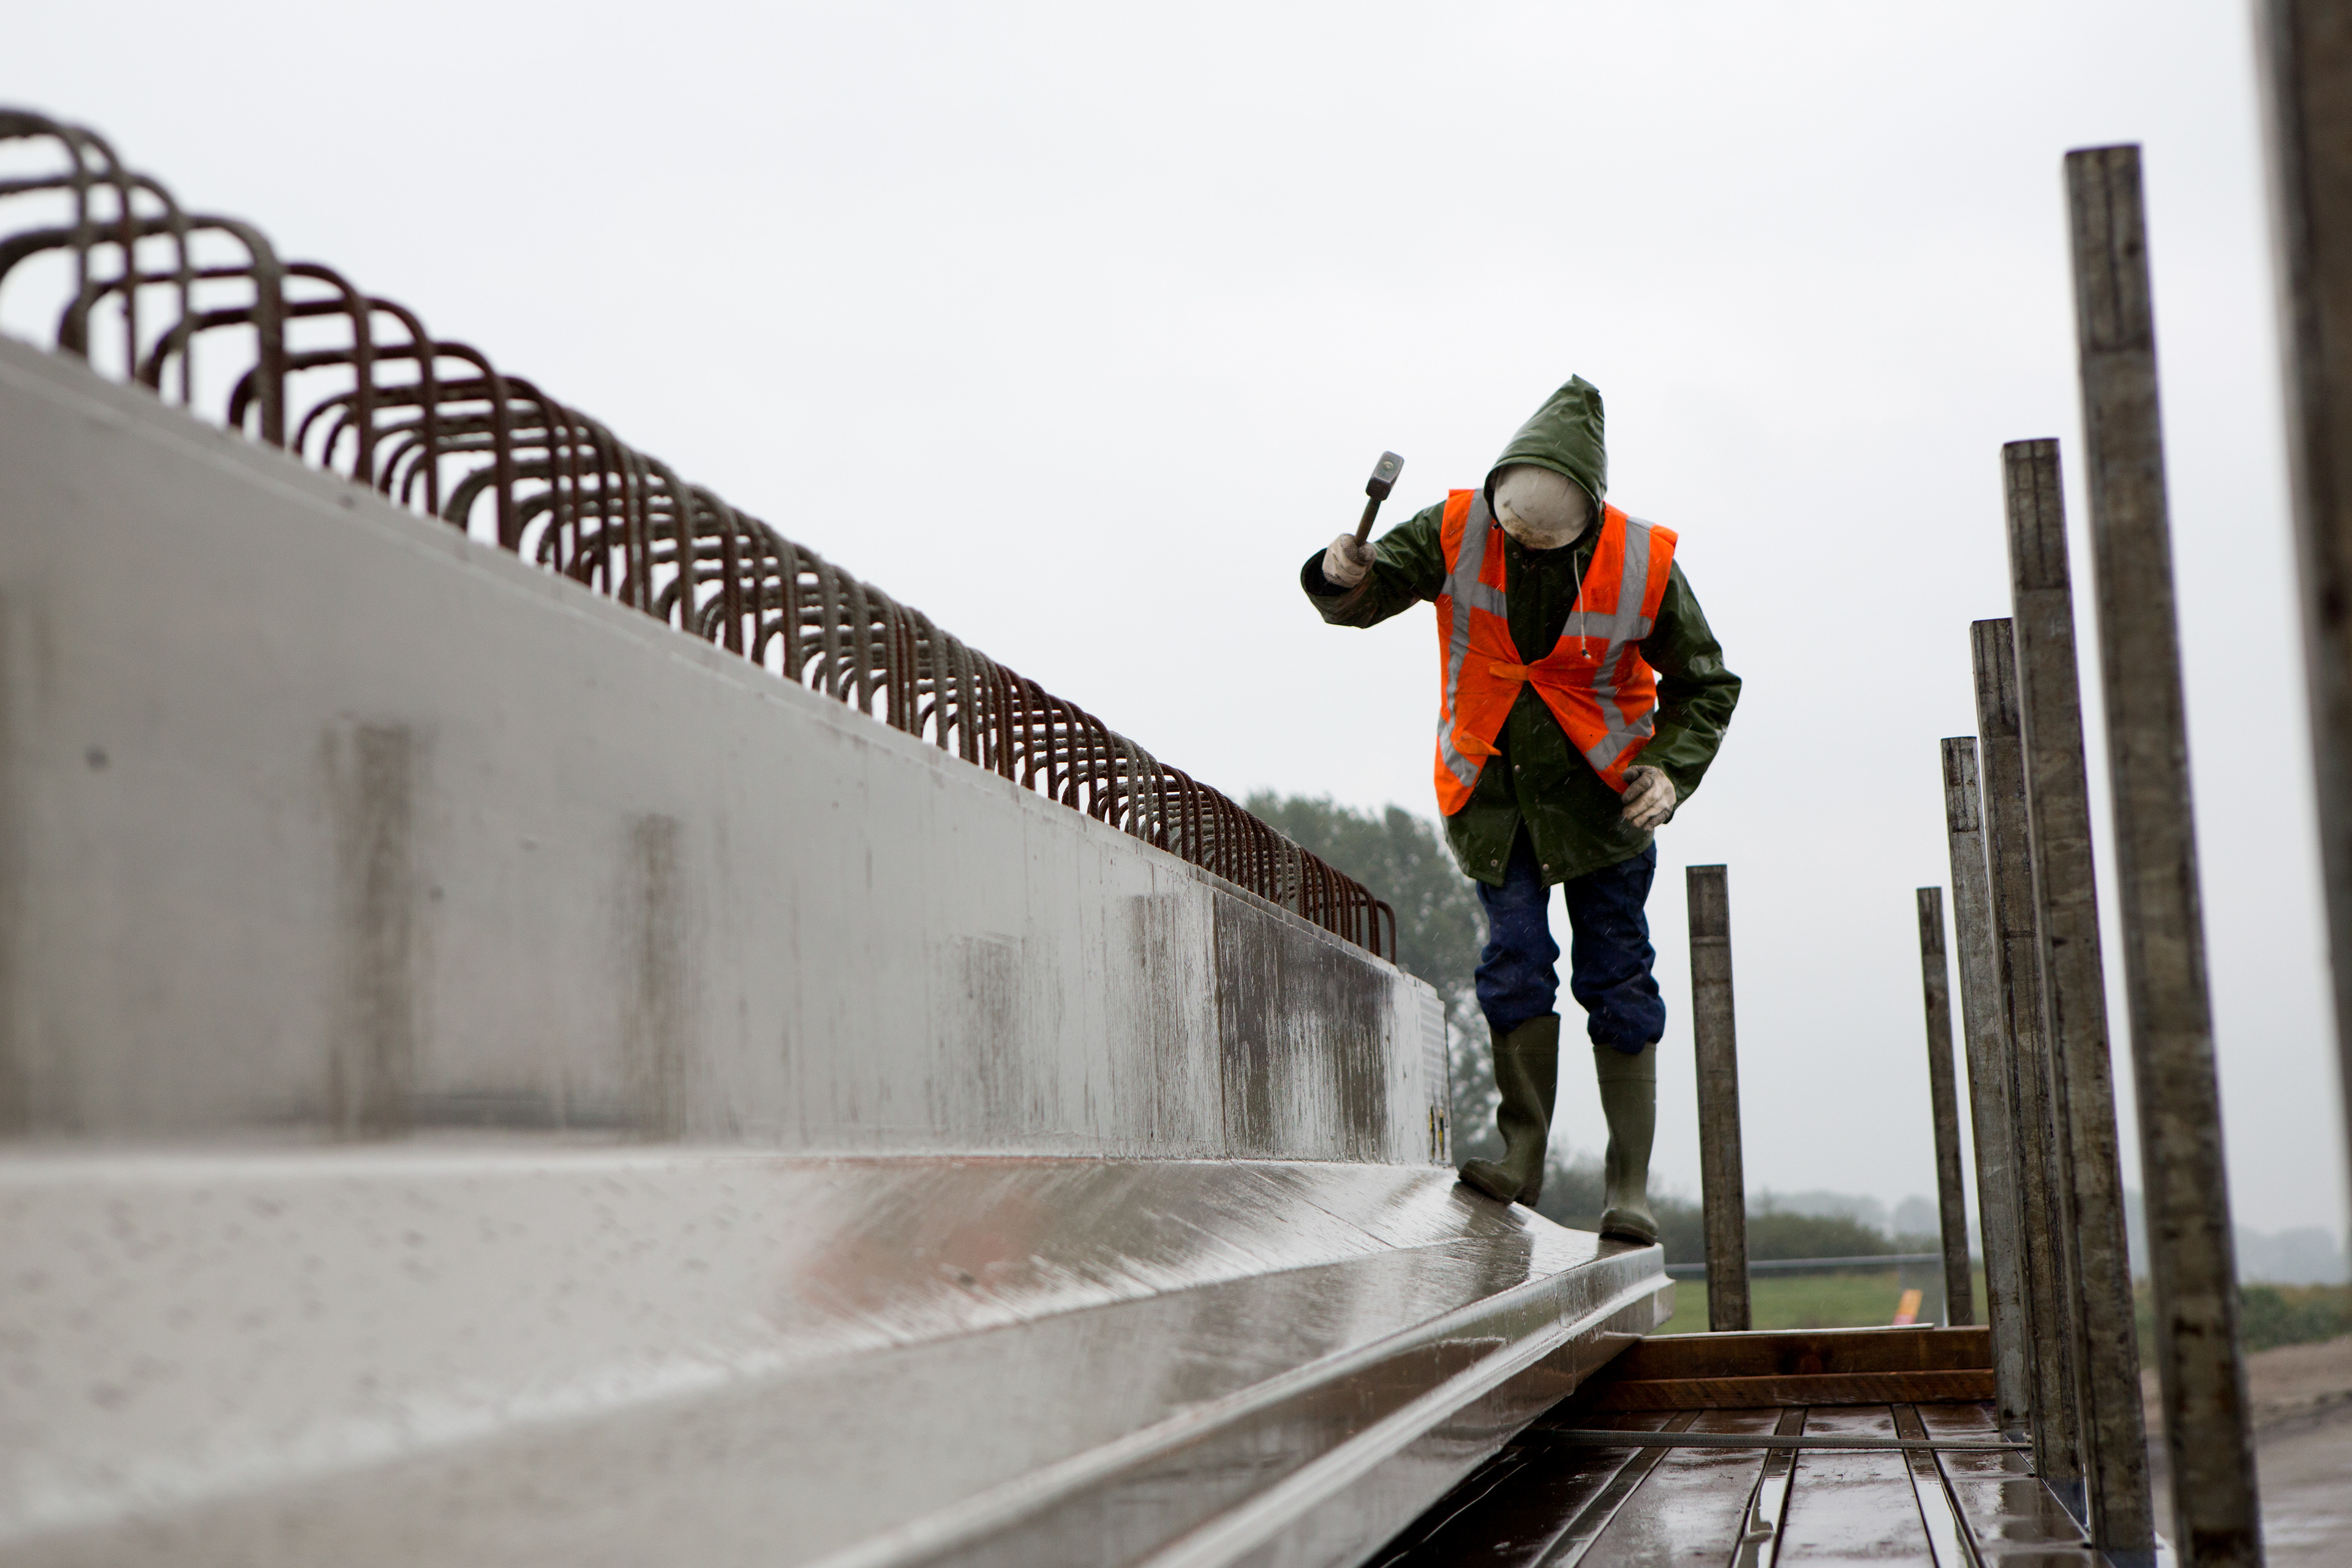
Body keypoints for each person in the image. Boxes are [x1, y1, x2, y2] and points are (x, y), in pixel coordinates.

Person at [1302, 376, 1740, 1242]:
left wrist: (1671, 773)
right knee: (1514, 962)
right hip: (1495, 800)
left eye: (1547, 539)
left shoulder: (1643, 561)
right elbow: (1361, 599)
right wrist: (1337, 574)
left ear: (1586, 515)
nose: (1526, 549)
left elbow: (1707, 684)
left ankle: (1628, 1188)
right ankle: (1520, 1156)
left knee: (1617, 974)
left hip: (1607, 806)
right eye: (1518, 533)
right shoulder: (1457, 528)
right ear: (1500, 496)